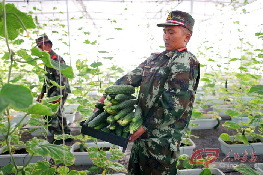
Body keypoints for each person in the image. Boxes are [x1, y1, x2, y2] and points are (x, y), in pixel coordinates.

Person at [98, 10, 200, 174]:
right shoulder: (157, 58)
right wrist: (106, 96)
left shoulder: (184, 62)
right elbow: (133, 76)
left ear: (186, 37)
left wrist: (145, 127)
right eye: (165, 32)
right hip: (143, 131)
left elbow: (174, 105)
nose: (166, 36)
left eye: (171, 32)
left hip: (162, 137)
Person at [36, 35, 72, 141]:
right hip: (53, 91)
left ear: (47, 45)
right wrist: (42, 94)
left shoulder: (56, 60)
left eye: (40, 46)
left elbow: (61, 79)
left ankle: (57, 137)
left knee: (51, 113)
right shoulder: (48, 60)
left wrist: (58, 95)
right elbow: (47, 79)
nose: (39, 49)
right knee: (59, 112)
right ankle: (66, 135)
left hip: (59, 90)